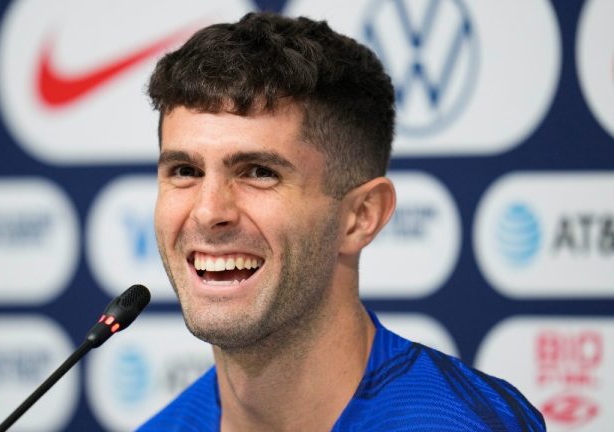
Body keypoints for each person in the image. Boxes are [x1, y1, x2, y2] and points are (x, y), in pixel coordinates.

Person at [139, 12, 545, 432]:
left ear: (361, 216)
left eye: (259, 172)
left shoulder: (458, 423)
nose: (208, 213)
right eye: (185, 171)